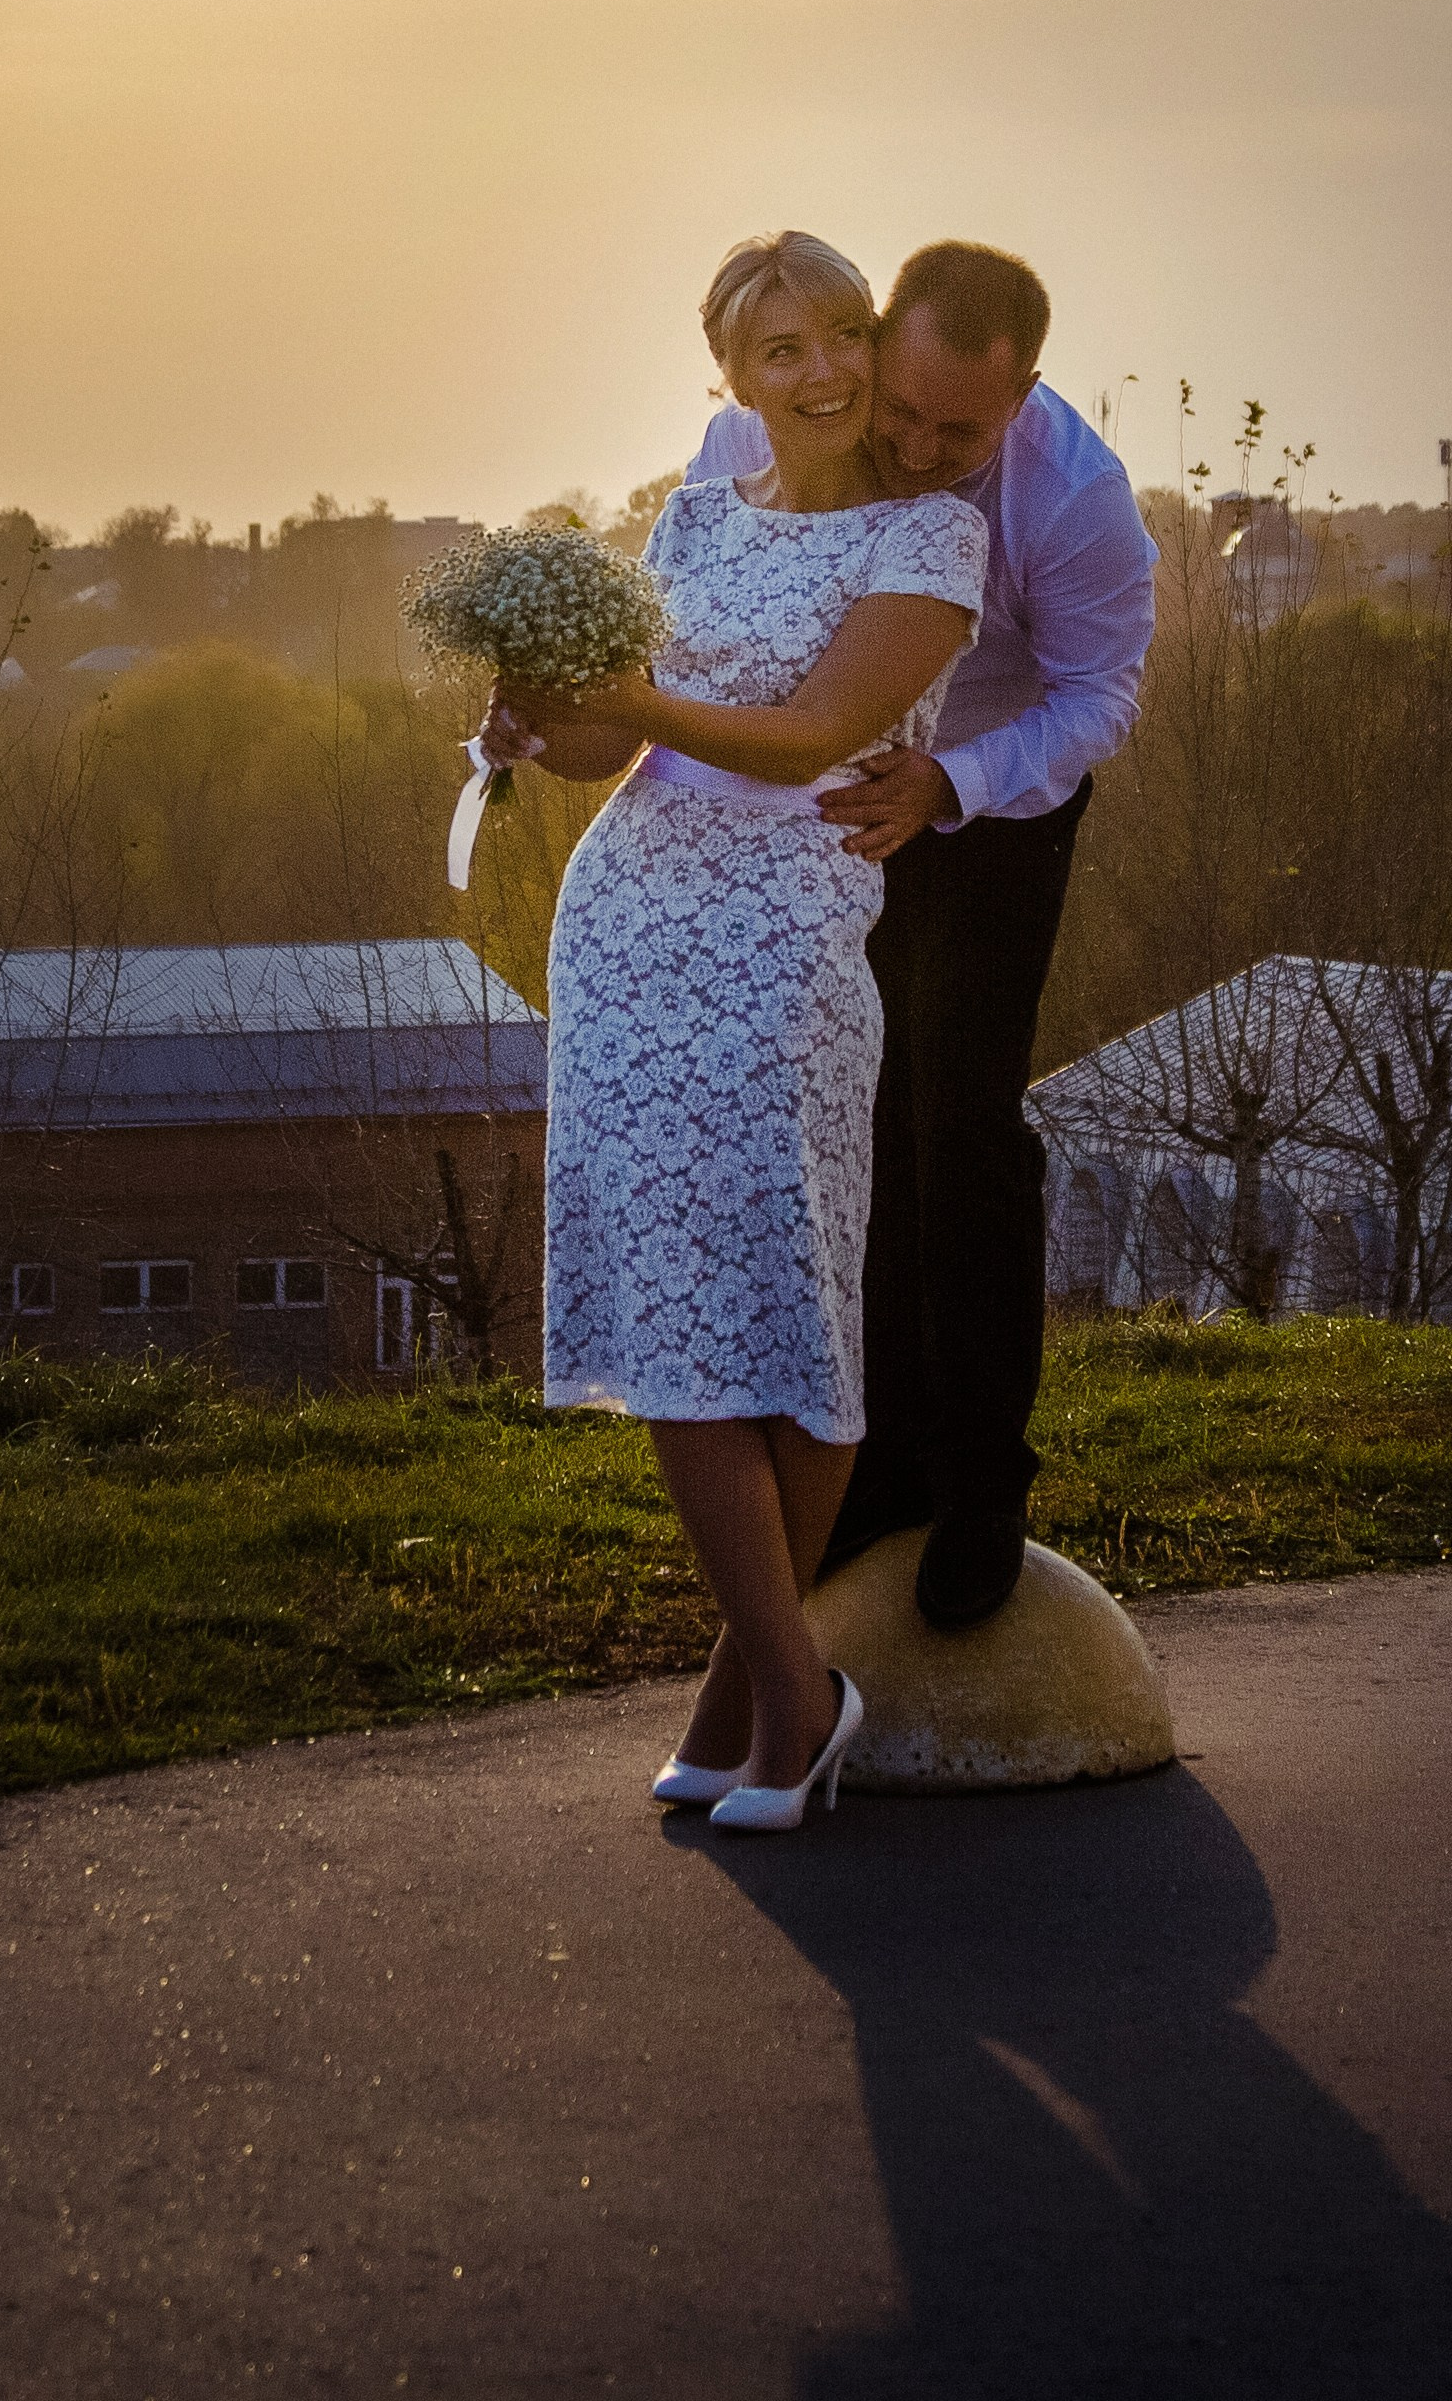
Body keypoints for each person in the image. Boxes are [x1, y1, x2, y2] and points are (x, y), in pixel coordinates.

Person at [499, 232, 984, 1834]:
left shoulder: (933, 537)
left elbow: (811, 736)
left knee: (786, 1307)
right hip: (628, 926)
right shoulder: (694, 515)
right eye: (782, 350)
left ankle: (784, 1694)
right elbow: (608, 742)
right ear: (730, 379)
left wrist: (629, 703)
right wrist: (538, 721)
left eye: (841, 332)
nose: (824, 369)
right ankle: (764, 1696)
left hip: (782, 936)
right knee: (671, 1304)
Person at [688, 241, 1156, 1627]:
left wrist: (949, 782)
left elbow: (1098, 700)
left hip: (993, 805)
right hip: (827, 795)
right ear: (880, 344)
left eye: (962, 433)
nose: (918, 447)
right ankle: (874, 1472)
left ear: (1024, 397)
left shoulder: (1076, 497)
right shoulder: (760, 436)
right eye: (904, 410)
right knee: (848, 1126)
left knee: (961, 1125)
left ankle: (983, 1486)